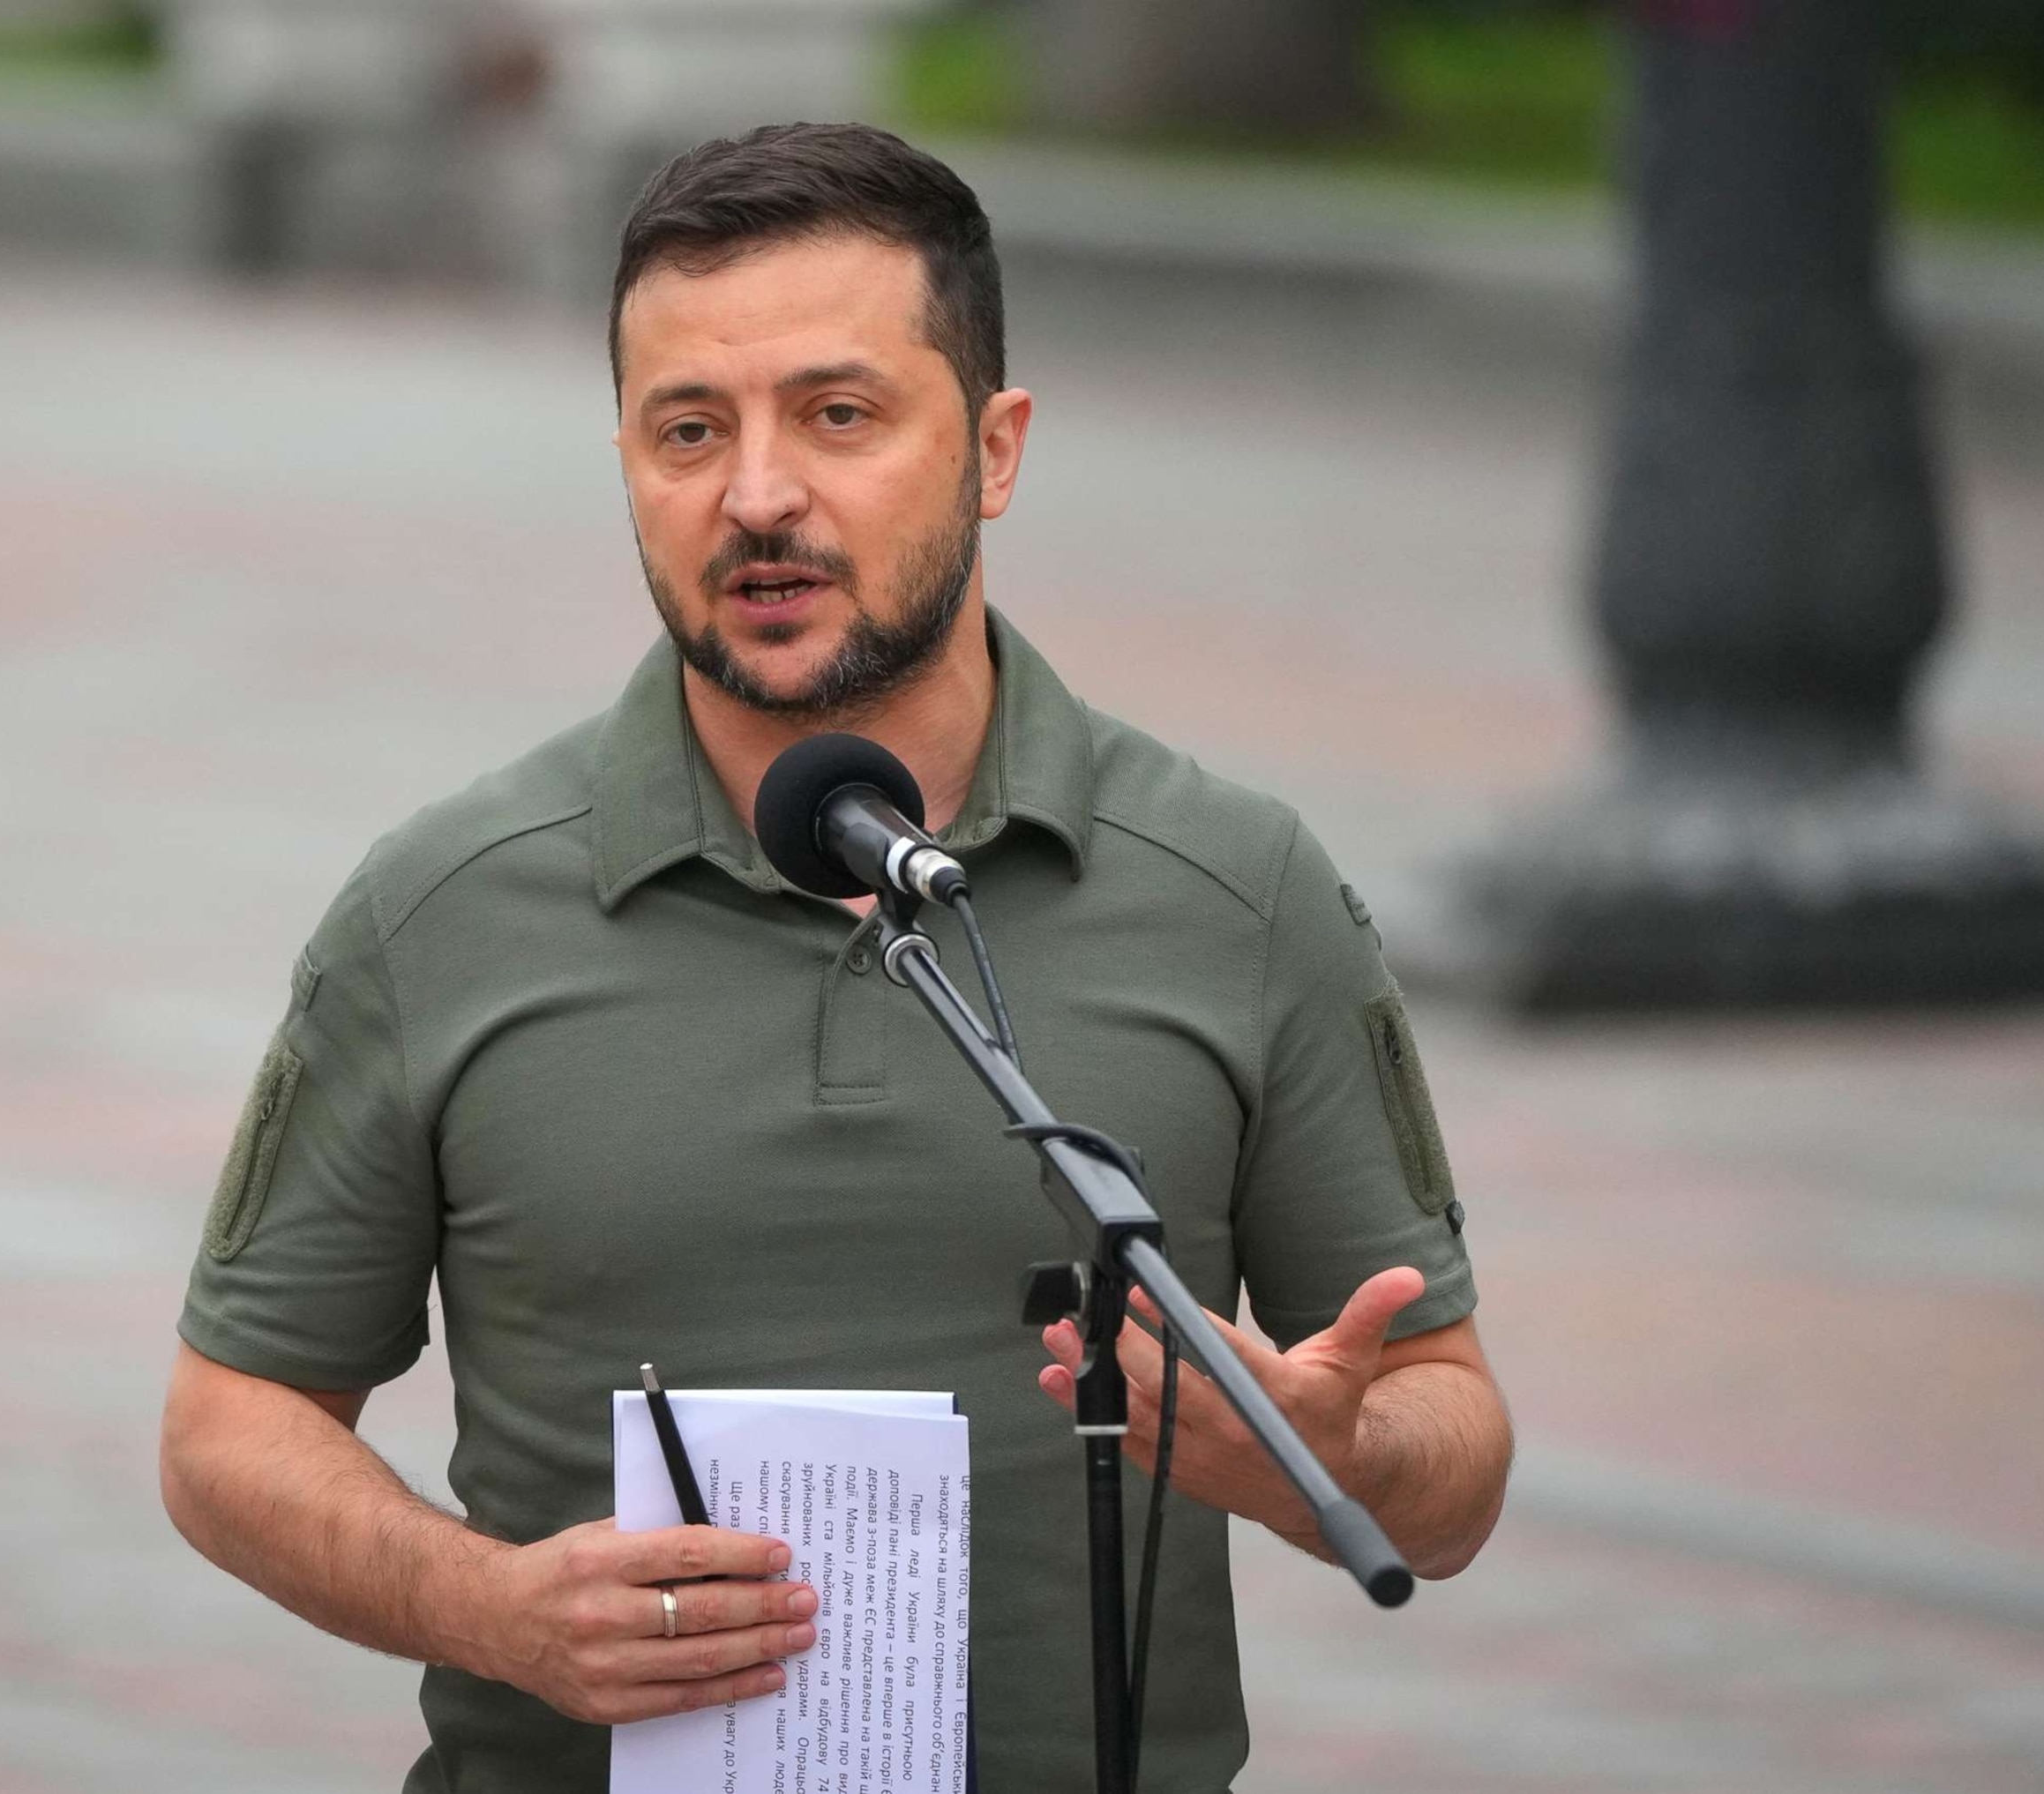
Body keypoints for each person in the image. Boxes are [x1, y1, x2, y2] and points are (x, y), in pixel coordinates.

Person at [159, 122, 1511, 1793]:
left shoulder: (1236, 890)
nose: (759, 494)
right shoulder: (442, 904)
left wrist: (1336, 1446)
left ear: (996, 449)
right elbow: (230, 1427)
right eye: (688, 430)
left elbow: (1453, 1458)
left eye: (840, 415)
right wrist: (494, 1605)